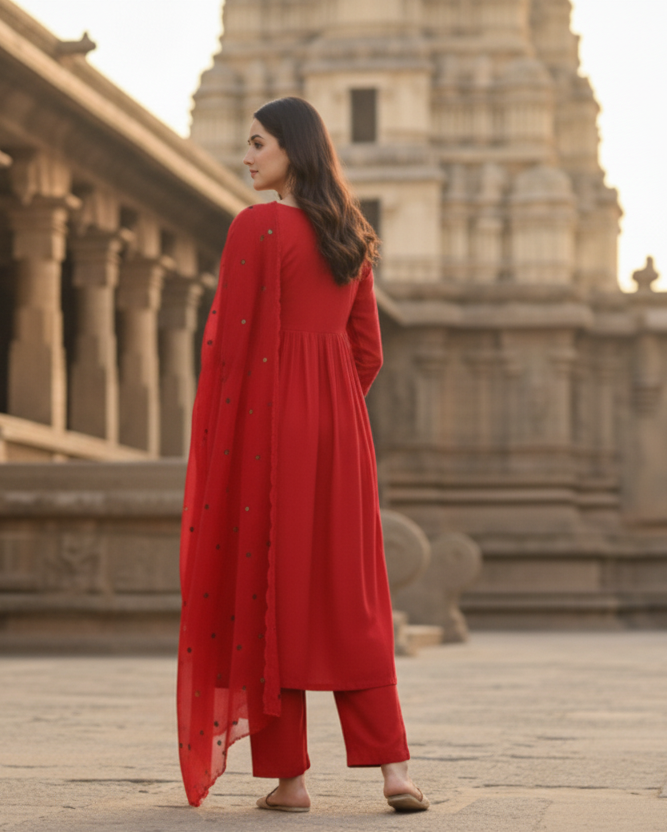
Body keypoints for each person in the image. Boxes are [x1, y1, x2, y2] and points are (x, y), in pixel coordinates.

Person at [177, 96, 428, 814]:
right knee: (353, 595)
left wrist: (239, 429)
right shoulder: (353, 233)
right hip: (344, 431)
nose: (247, 157)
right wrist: (332, 402)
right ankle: (395, 773)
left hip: (271, 428)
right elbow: (367, 352)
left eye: (257, 143)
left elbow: (228, 348)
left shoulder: (257, 227)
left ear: (292, 147)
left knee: (271, 593)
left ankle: (290, 781)